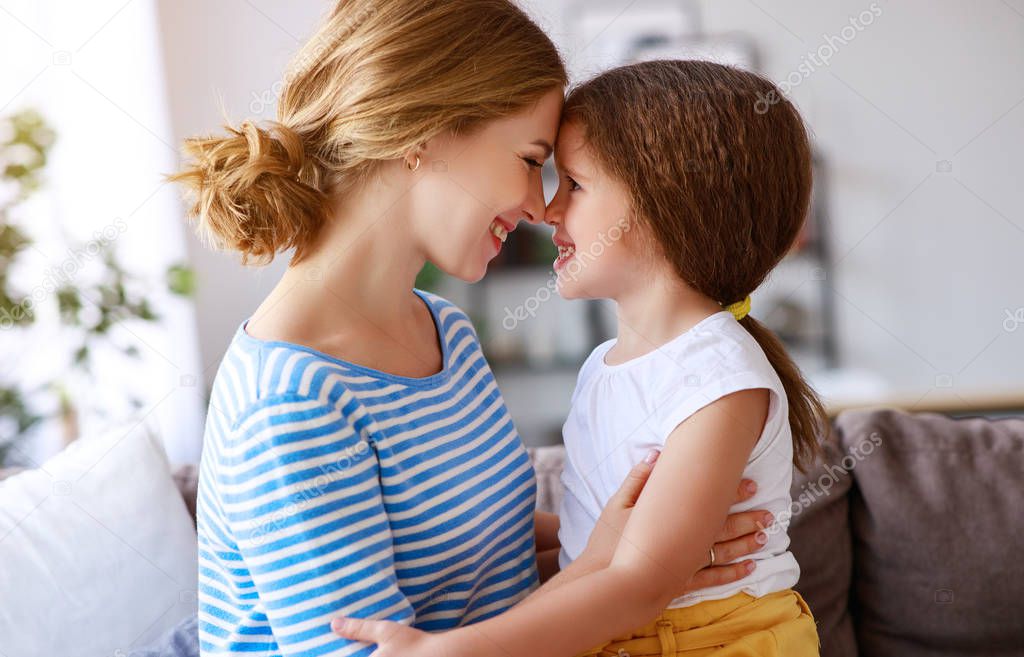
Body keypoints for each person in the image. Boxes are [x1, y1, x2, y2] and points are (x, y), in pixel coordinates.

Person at [169, 2, 771, 654]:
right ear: (421, 134)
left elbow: (481, 570)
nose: (542, 207)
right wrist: (611, 569)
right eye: (530, 158)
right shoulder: (288, 404)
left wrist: (659, 544)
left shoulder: (444, 331)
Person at [332, 60, 826, 657]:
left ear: (668, 202)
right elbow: (591, 540)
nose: (547, 211)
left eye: (575, 184)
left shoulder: (720, 379)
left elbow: (639, 583)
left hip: (714, 639)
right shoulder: (603, 367)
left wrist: (450, 650)